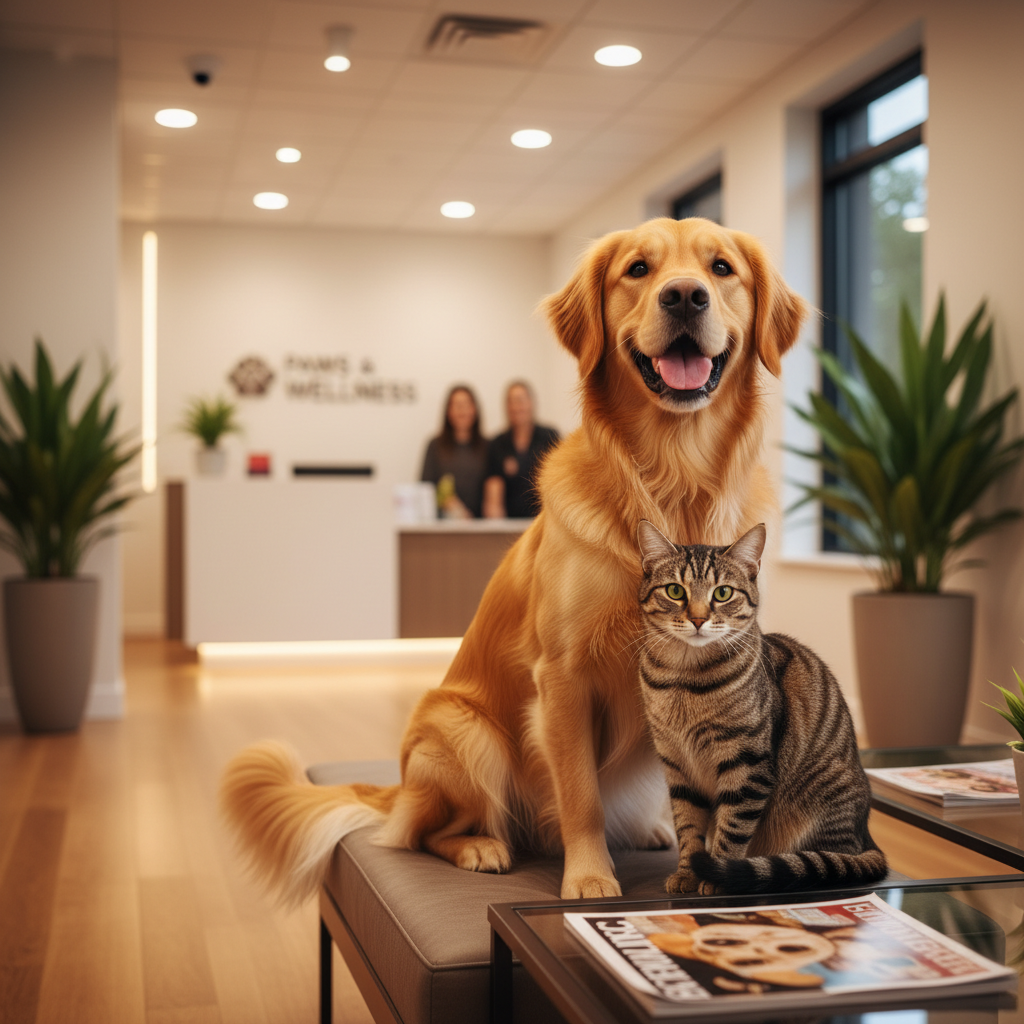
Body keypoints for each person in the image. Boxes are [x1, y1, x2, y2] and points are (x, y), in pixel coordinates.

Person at [483, 380, 560, 519]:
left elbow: (559, 485)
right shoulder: (497, 444)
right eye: (511, 402)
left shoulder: (549, 437)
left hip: (544, 521)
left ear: (531, 403)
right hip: (509, 526)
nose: (516, 407)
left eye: (520, 400)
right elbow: (494, 494)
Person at [420, 385, 488, 518]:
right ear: (448, 412)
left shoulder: (487, 446)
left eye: (467, 405)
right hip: (442, 527)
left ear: (474, 409)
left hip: (481, 526)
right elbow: (426, 487)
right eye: (457, 405)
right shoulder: (435, 445)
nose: (462, 411)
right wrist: (455, 509)